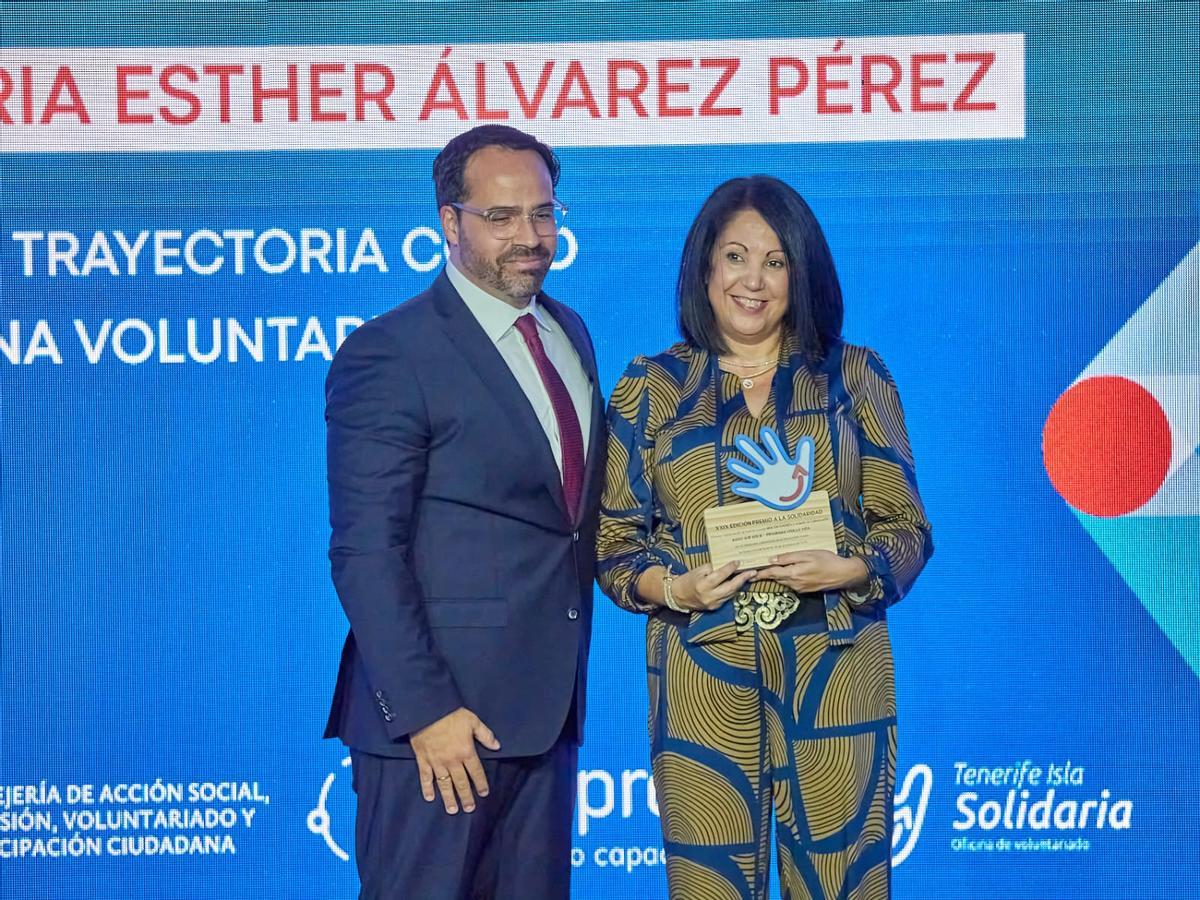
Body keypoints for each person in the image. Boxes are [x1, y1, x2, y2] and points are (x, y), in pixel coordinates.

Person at [596, 176, 933, 900]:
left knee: (844, 886)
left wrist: (848, 568)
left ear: (801, 272)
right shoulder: (650, 387)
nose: (753, 280)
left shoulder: (855, 377)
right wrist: (673, 586)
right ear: (704, 268)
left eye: (776, 261)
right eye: (736, 256)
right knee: (710, 886)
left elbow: (906, 529)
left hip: (836, 670)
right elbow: (615, 544)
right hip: (700, 673)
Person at [324, 124, 604, 899]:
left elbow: (569, 520)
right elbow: (364, 551)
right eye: (502, 217)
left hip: (545, 721)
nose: (530, 237)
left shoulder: (568, 331)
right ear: (451, 223)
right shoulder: (391, 351)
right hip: (441, 733)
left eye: (544, 214)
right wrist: (425, 712)